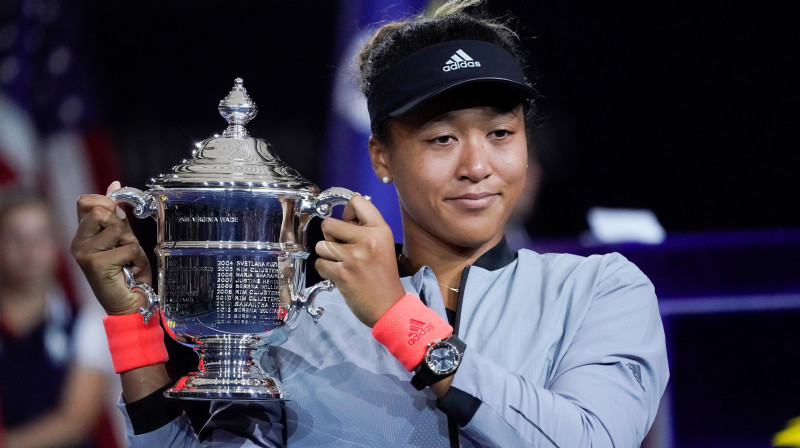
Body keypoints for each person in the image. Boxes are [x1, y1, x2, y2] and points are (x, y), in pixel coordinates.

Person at [71, 1, 669, 446]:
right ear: (380, 157)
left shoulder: (604, 291)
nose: (478, 165)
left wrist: (398, 318)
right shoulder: (306, 317)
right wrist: (135, 327)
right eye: (441, 139)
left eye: (500, 134)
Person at [0, 194, 119, 448]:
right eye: (15, 237)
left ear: (56, 243)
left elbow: (74, 422)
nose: (29, 249)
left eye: (41, 236)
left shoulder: (88, 325)